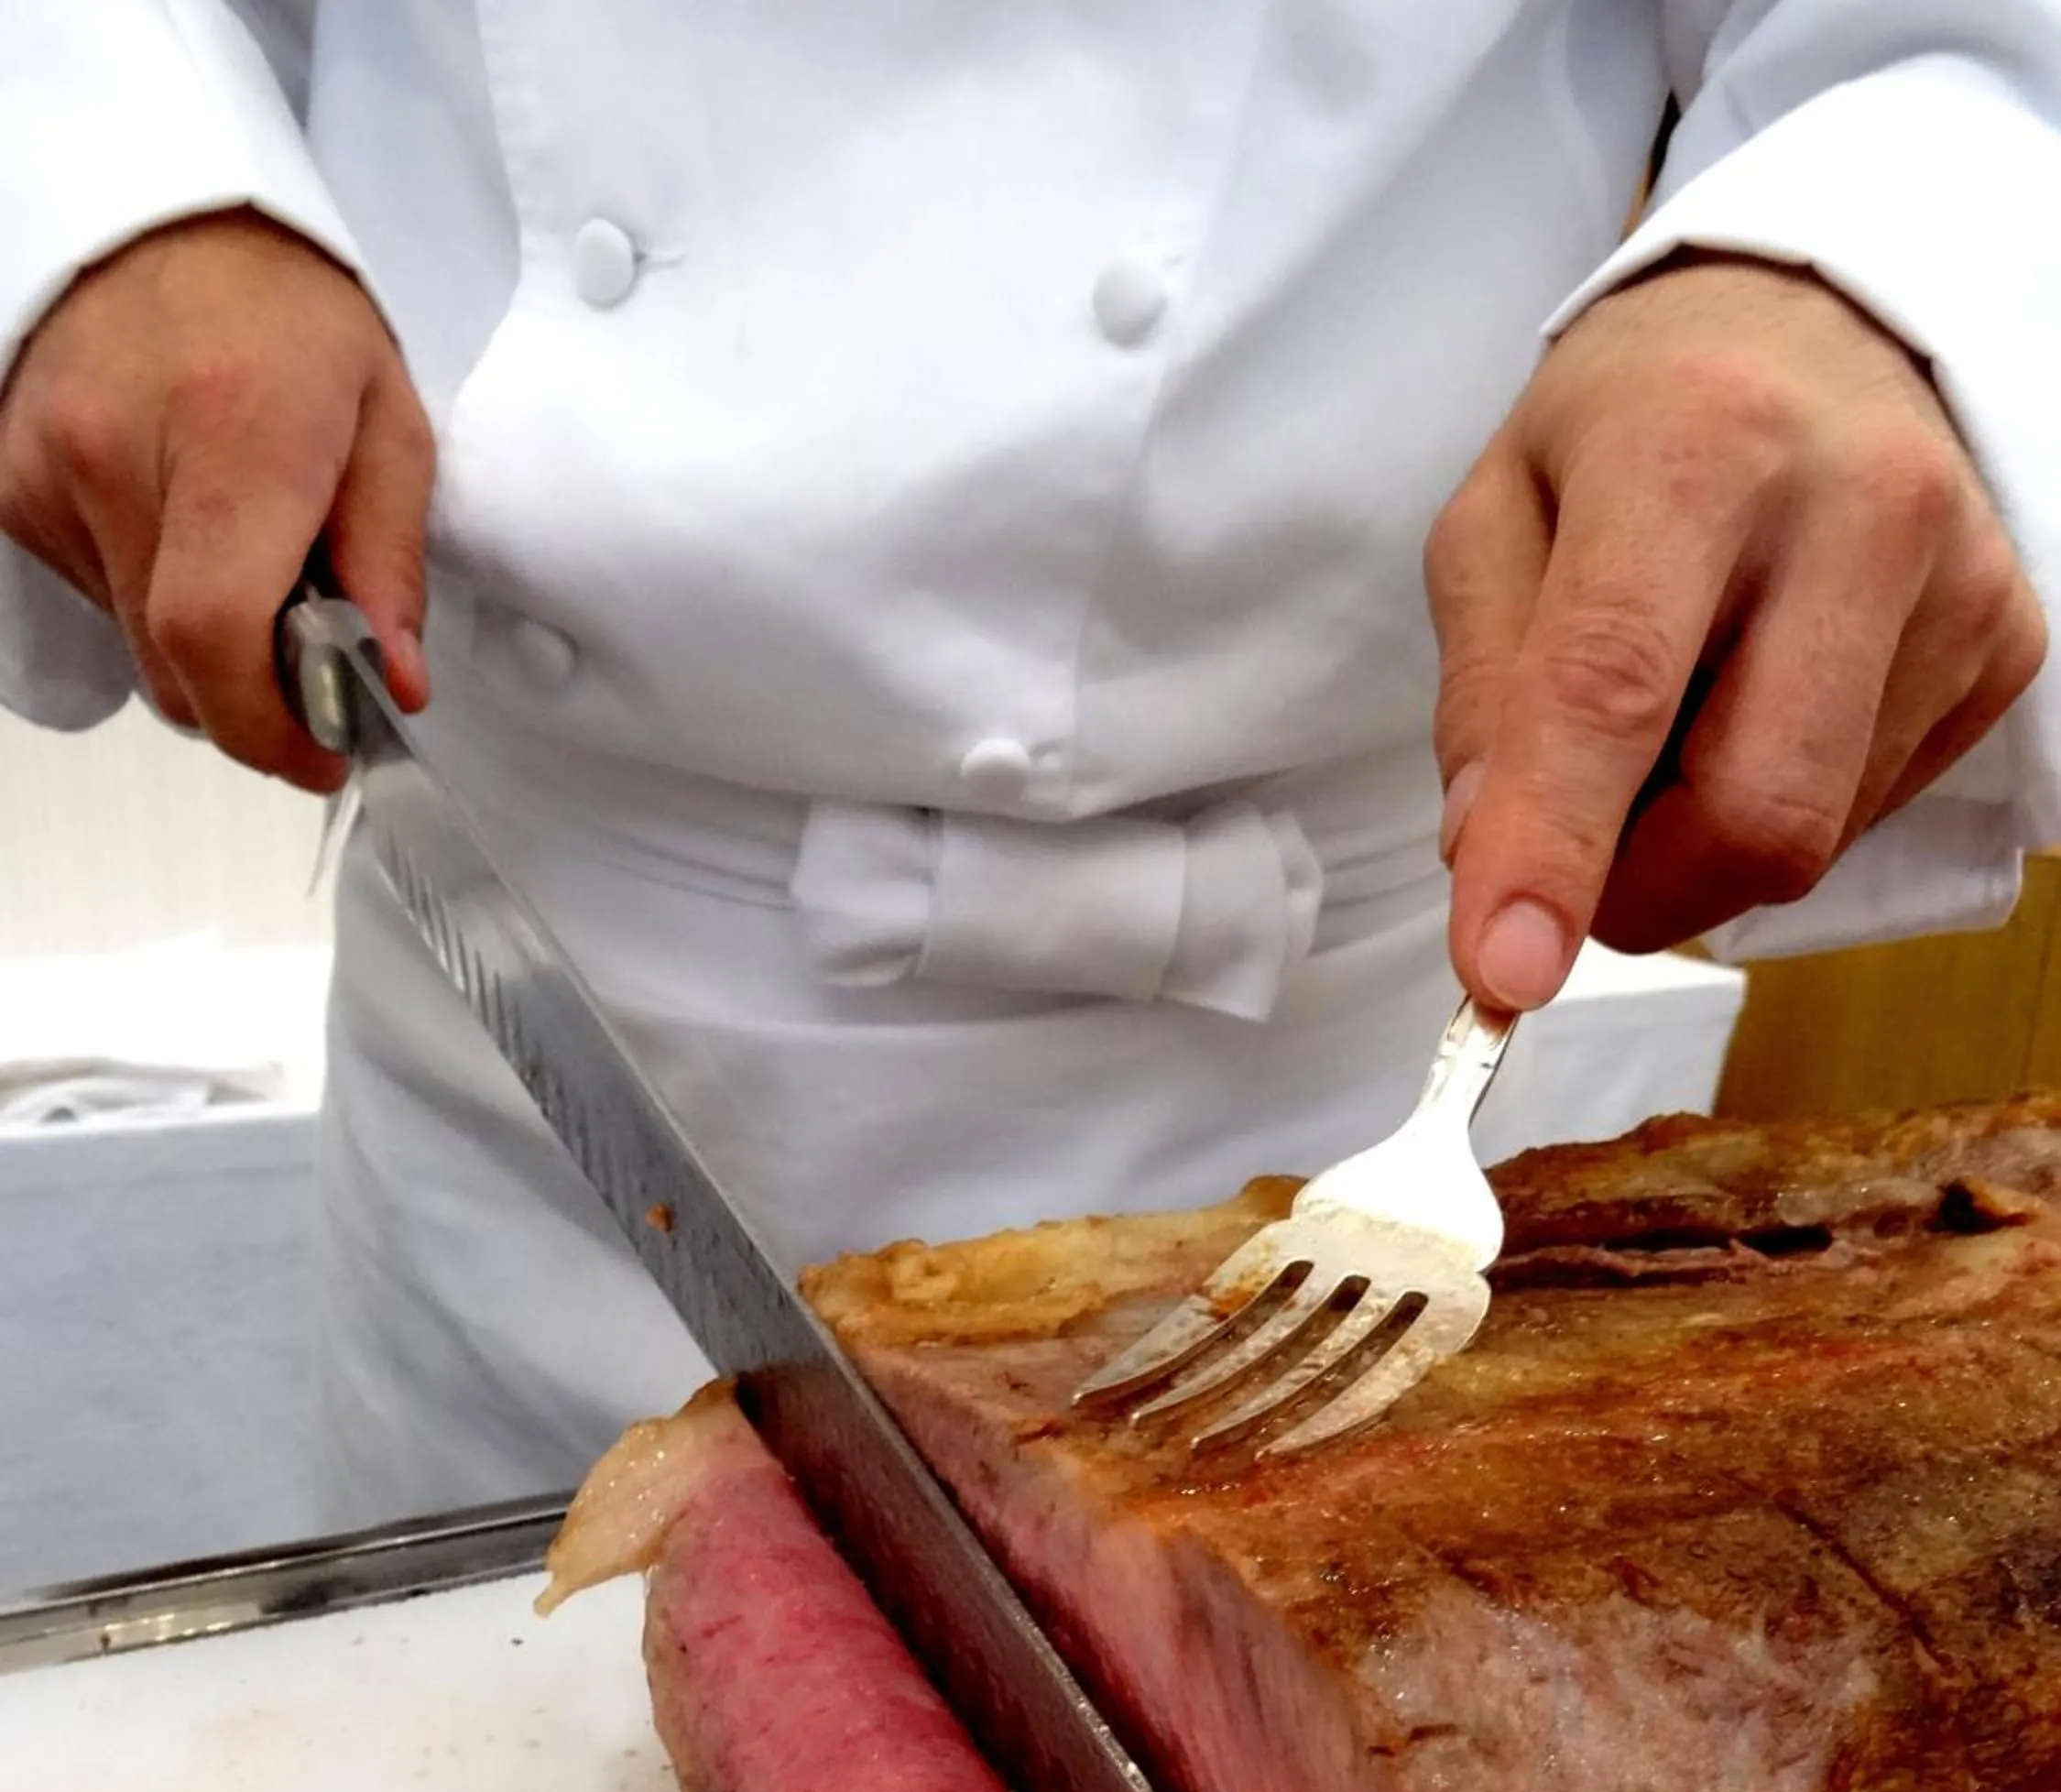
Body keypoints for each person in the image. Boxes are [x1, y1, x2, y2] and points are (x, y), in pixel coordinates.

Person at [3, 3, 2056, 1518]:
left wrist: (1871, 263)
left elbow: (1955, 55)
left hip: (1340, 1089)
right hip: (549, 1061)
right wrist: (96, 175)